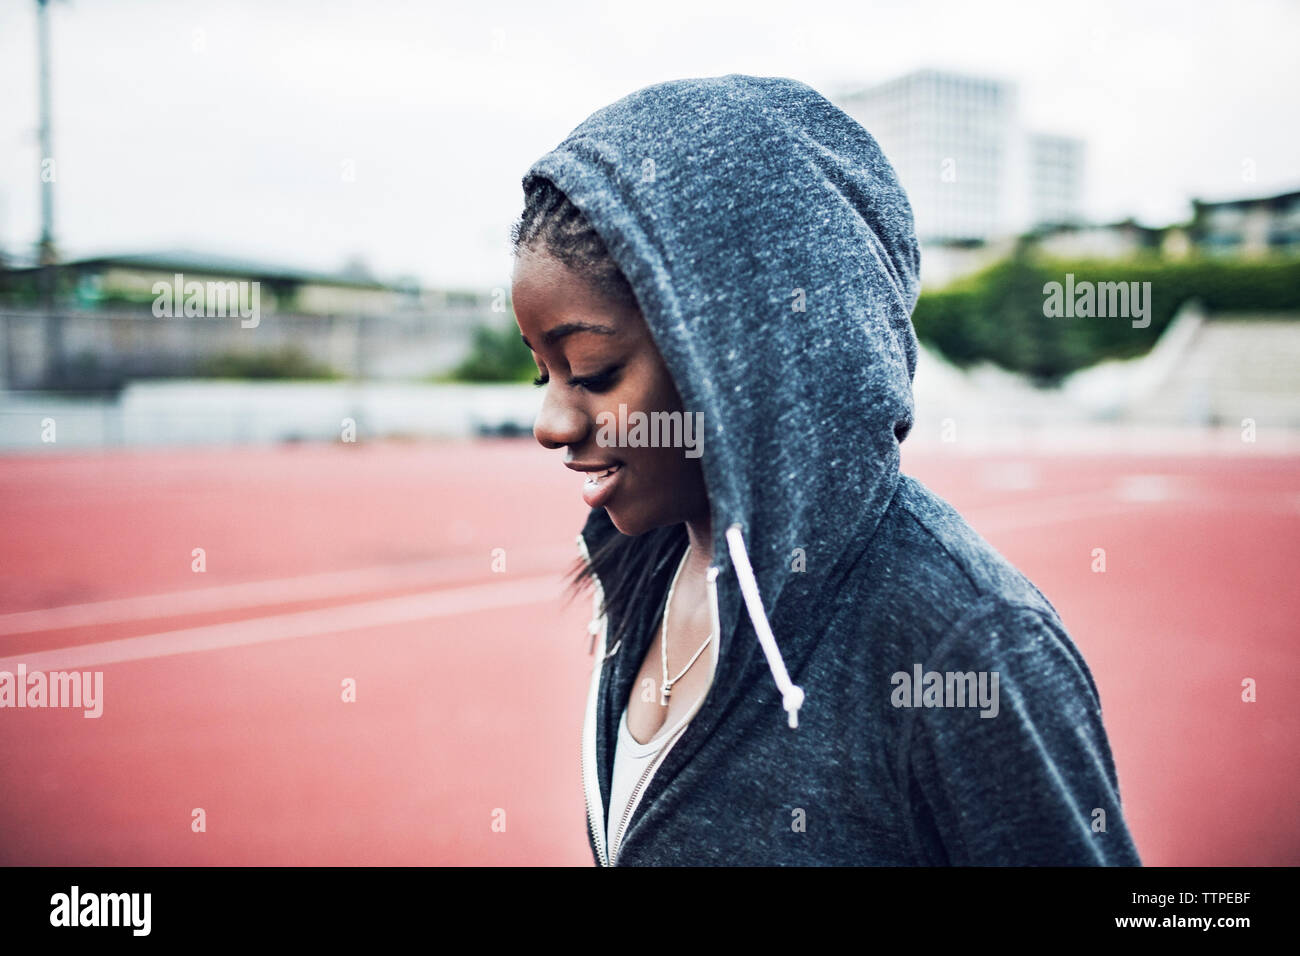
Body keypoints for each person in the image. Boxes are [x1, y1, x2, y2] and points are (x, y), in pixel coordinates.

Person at [509, 74, 1142, 867]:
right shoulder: (648, 561)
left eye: (594, 371)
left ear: (752, 351)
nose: (550, 424)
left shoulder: (964, 644)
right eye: (543, 373)